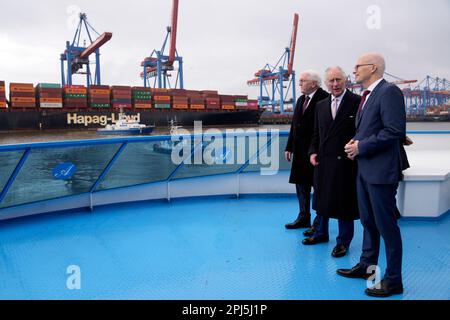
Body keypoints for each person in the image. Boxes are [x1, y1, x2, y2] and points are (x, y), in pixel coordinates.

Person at [340, 53, 408, 297]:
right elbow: (370, 129)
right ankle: (366, 267)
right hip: (364, 169)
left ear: (374, 67)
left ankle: (393, 280)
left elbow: (394, 130)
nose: (354, 70)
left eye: (358, 66)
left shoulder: (389, 92)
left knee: (387, 226)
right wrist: (355, 145)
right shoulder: (367, 96)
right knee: (368, 222)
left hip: (380, 172)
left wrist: (362, 147)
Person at [303, 66, 361, 258]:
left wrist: (358, 147)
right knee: (322, 200)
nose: (335, 84)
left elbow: (363, 131)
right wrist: (312, 151)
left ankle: (343, 242)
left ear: (346, 80)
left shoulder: (357, 102)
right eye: (331, 81)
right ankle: (321, 233)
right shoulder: (321, 105)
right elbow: (316, 133)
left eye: (338, 80)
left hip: (346, 161)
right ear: (326, 83)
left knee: (345, 204)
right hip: (324, 161)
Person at [285, 70, 329, 231]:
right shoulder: (301, 99)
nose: (299, 83)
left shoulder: (324, 98)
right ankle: (303, 217)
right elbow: (294, 125)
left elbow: (324, 128)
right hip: (300, 152)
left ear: (314, 83)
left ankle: (319, 224)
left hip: (316, 153)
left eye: (303, 81)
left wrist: (316, 149)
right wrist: (289, 146)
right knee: (301, 185)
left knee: (319, 188)